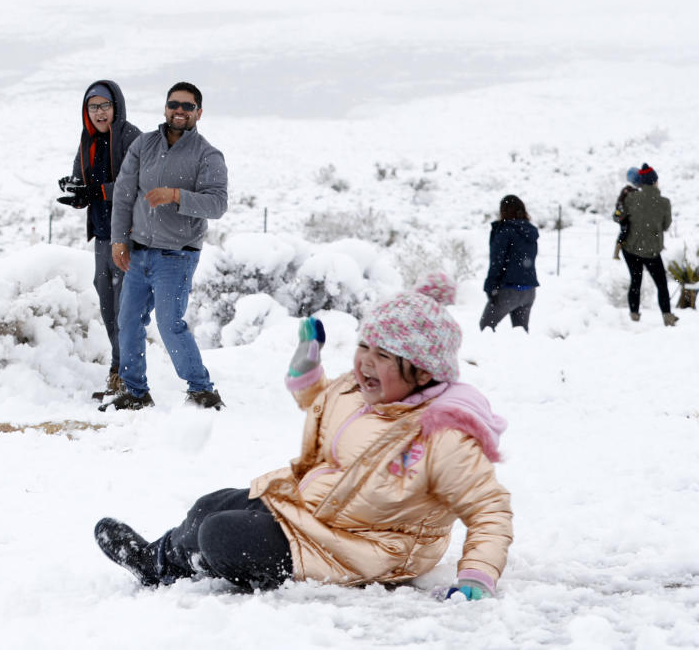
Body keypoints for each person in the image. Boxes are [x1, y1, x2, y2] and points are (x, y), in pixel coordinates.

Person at [95, 274, 513, 599]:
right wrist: (306, 372)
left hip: (364, 547)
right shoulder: (365, 392)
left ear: (423, 372)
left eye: (383, 356)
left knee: (221, 536)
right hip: (315, 509)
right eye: (364, 346)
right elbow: (323, 404)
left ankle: (200, 560)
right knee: (211, 504)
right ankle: (155, 561)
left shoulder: (443, 433)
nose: (365, 362)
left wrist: (478, 576)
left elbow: (488, 511)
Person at [102, 82, 228, 411]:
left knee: (169, 323)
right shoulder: (144, 145)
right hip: (139, 251)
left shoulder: (208, 155)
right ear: (165, 108)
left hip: (177, 256)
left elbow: (217, 205)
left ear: (199, 112)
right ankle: (135, 392)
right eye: (174, 104)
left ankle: (202, 389)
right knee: (127, 320)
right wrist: (119, 240)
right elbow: (124, 195)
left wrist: (176, 196)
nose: (180, 111)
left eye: (188, 106)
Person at [58, 80, 142, 399]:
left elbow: (135, 184)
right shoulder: (88, 141)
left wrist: (99, 191)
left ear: (116, 107)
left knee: (125, 309)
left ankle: (127, 377)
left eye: (104, 105)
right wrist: (77, 192)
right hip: (103, 236)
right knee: (108, 305)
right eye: (93, 107)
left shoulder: (131, 137)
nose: (99, 113)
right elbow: (83, 180)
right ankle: (119, 370)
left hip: (130, 235)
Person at [614, 163, 677, 326]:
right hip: (651, 251)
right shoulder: (664, 202)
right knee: (661, 284)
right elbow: (666, 225)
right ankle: (667, 315)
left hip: (630, 249)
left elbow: (619, 217)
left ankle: (634, 315)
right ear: (655, 181)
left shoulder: (630, 198)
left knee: (636, 281)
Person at [480, 194, 540, 332]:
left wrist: (490, 287)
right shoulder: (530, 232)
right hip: (529, 291)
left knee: (486, 326)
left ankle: (488, 353)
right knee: (520, 331)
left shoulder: (505, 231)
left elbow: (497, 261)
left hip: (509, 290)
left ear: (504, 211)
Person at [612, 167, 641, 260]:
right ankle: (616, 253)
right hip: (625, 218)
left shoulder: (628, 190)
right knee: (625, 234)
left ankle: (621, 251)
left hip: (626, 217)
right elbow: (621, 203)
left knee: (626, 234)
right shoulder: (629, 190)